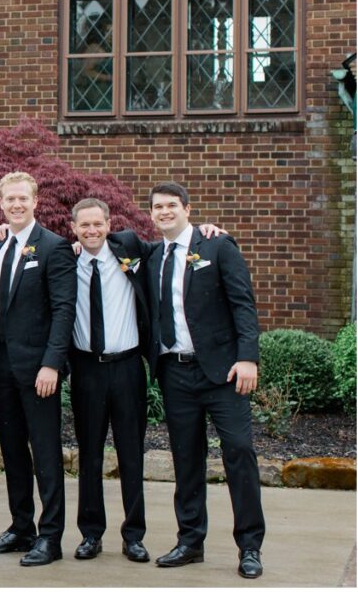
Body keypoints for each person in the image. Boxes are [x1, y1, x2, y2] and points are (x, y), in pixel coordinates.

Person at [145, 182, 265, 579]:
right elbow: (103, 241)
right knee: (187, 461)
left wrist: (248, 357)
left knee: (239, 454)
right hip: (175, 373)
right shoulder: (151, 256)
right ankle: (190, 541)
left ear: (187, 209)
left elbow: (242, 303)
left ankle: (249, 546)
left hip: (223, 372)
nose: (165, 212)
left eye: (171, 206)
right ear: (151, 214)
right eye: (158, 207)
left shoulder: (216, 246)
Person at [0, 172, 76, 566]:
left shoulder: (53, 247)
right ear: (0, 203)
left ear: (36, 201)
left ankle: (50, 537)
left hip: (39, 370)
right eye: (9, 200)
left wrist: (52, 364)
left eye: (23, 199)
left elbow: (63, 311)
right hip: (0, 366)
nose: (16, 205)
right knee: (12, 451)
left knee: (46, 453)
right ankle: (22, 528)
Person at [67, 198, 151, 564]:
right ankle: (90, 533)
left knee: (131, 454)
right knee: (89, 455)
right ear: (73, 228)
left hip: (128, 367)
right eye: (84, 225)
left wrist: (211, 233)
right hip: (86, 369)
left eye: (97, 224)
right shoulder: (65, 261)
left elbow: (172, 245)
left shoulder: (130, 247)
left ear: (108, 223)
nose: (91, 231)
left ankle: (134, 535)